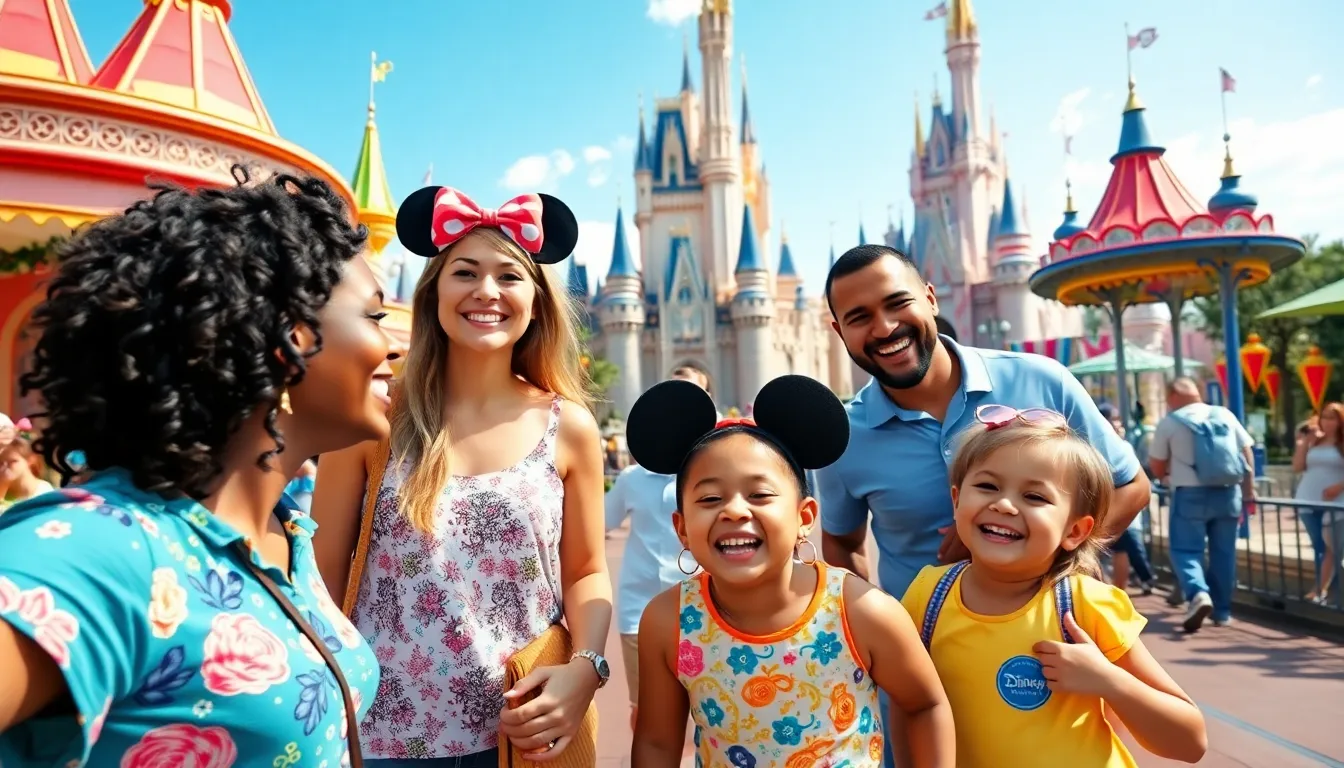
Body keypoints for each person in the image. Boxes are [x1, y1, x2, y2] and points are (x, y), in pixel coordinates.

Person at [0, 170, 401, 767]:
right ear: (287, 342)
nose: (393, 344)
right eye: (372, 317)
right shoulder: (105, 549)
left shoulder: (286, 530)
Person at [311, 185, 611, 766]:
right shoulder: (373, 417)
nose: (486, 292)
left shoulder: (568, 426)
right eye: (465, 272)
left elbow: (587, 571)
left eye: (509, 276)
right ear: (434, 292)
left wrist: (587, 670)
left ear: (537, 300)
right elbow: (319, 579)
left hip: (521, 737)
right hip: (381, 737)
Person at [816, 246, 1149, 765]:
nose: (883, 328)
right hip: (926, 669)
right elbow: (840, 540)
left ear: (929, 299)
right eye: (859, 318)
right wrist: (872, 629)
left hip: (1047, 658)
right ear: (839, 333)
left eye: (896, 303)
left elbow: (1131, 487)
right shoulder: (844, 436)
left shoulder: (1040, 380)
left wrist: (1031, 556)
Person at [628, 376, 956, 768]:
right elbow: (657, 743)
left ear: (805, 517)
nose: (734, 510)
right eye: (711, 498)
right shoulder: (670, 621)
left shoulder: (860, 611)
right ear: (681, 528)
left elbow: (924, 704)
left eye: (760, 495)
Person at [902, 406, 1207, 766]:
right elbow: (910, 708)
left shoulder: (1083, 606)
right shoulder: (926, 596)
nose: (1002, 504)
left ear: (1074, 531)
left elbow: (1190, 742)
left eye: (1034, 497)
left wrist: (1108, 681)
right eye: (987, 486)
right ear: (956, 501)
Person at [604, 366, 710, 731]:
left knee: (712, 709)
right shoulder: (633, 479)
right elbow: (598, 523)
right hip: (641, 612)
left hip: (706, 609)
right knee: (647, 711)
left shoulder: (715, 474)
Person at [1148, 377, 1255, 632]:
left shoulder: (1171, 422)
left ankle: (1198, 593)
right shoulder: (1224, 415)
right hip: (1228, 493)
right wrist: (1249, 492)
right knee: (1224, 554)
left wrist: (1165, 477)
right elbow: (1246, 452)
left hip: (1189, 494)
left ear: (1173, 396)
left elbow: (1156, 461)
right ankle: (1222, 612)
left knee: (1185, 550)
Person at [1291, 402, 1344, 604]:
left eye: (1332, 418)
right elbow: (1297, 467)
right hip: (1308, 499)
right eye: (1324, 417)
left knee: (1332, 547)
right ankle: (1324, 591)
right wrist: (1304, 443)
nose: (1327, 422)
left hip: (1336, 502)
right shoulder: (1314, 441)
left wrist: (1339, 486)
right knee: (1320, 547)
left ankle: (1319, 590)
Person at [0, 419, 55, 512]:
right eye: (1, 463)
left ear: (30, 460)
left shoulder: (43, 492)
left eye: (13, 462)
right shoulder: (3, 492)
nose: (5, 467)